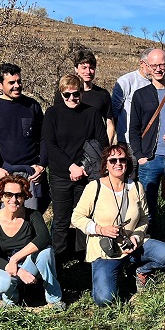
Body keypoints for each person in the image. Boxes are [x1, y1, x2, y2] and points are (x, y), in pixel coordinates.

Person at [71, 144, 165, 306]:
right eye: (113, 160)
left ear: (127, 163)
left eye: (122, 160)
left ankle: (142, 271)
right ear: (105, 165)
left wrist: (137, 236)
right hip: (105, 249)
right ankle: (114, 272)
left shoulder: (136, 187)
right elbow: (76, 217)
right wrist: (100, 229)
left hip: (133, 245)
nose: (118, 163)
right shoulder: (95, 187)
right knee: (104, 300)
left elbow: (144, 219)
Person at [42, 73, 109, 259]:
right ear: (61, 94)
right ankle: (59, 258)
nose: (72, 98)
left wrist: (84, 167)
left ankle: (84, 256)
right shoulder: (52, 114)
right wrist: (71, 167)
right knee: (61, 219)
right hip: (60, 175)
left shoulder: (92, 113)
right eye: (67, 95)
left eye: (76, 94)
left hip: (87, 174)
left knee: (84, 218)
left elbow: (102, 142)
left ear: (81, 92)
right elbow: (51, 145)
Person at [128, 48, 165, 249]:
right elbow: (133, 129)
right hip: (150, 160)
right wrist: (140, 155)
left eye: (162, 65)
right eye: (154, 66)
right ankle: (149, 250)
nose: (158, 69)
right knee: (146, 209)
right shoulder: (141, 95)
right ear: (147, 67)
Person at [0, 174, 64, 310]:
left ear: (25, 197)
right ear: (1, 196)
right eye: (8, 195)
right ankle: (10, 300)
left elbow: (44, 238)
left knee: (46, 252)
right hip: (6, 266)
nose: (14, 200)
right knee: (3, 283)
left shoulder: (33, 215)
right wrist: (17, 269)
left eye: (19, 195)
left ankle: (54, 298)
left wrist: (16, 258)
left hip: (28, 264)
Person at [0, 62, 47, 211]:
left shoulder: (32, 106)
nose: (17, 86)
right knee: (5, 219)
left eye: (19, 81)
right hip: (4, 173)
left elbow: (44, 138)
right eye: (11, 83)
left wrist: (41, 165)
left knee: (30, 218)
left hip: (30, 174)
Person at [71, 48, 115, 142]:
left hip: (95, 148)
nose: (88, 72)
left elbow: (109, 122)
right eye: (84, 68)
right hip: (71, 147)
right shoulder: (65, 95)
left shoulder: (103, 94)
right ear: (76, 69)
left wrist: (106, 149)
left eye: (91, 68)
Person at [110, 50, 152, 144]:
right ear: (142, 63)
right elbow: (114, 109)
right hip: (128, 139)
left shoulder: (156, 83)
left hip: (150, 140)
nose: (155, 69)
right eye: (151, 65)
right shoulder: (126, 81)